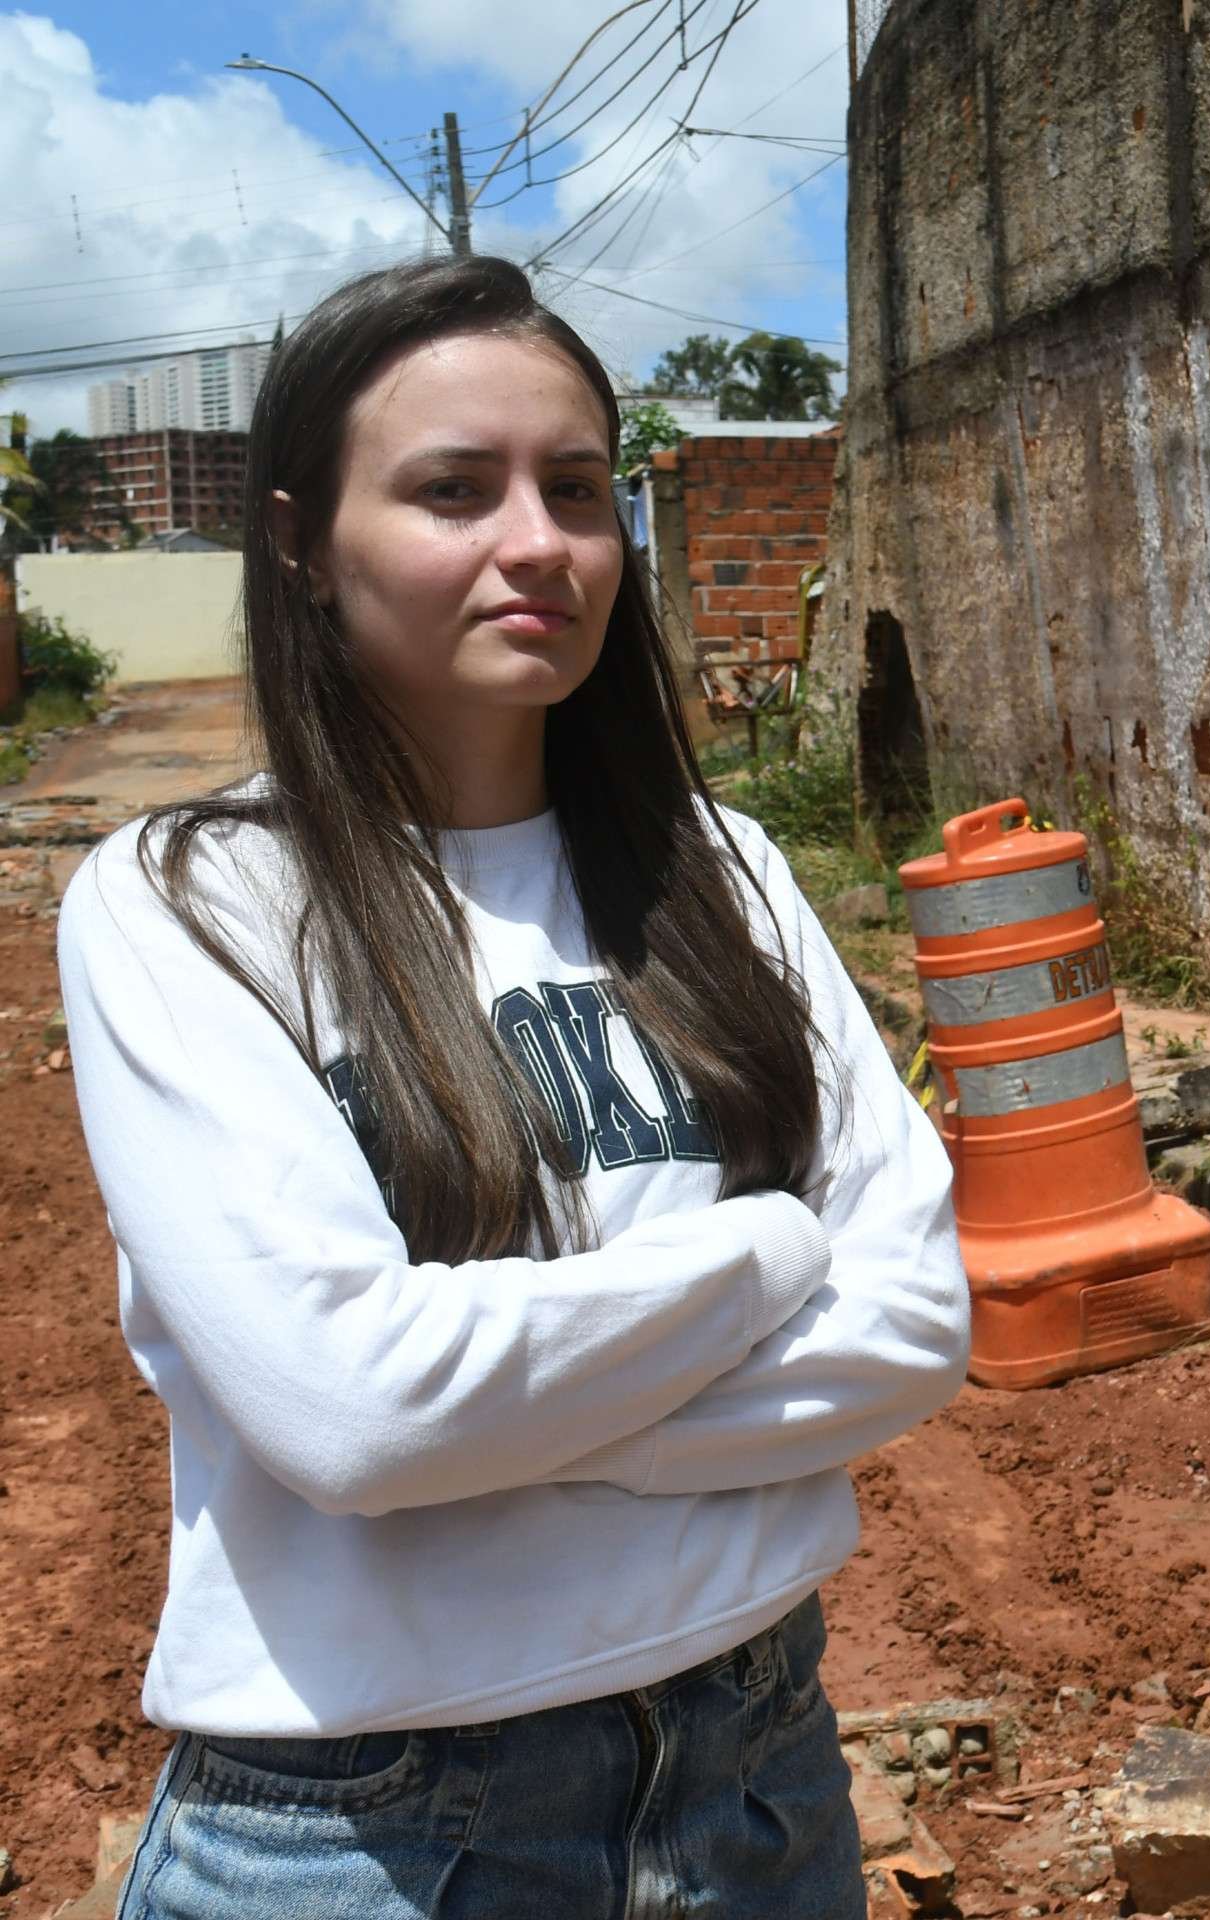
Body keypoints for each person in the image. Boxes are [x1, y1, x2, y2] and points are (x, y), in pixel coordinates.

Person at [55, 255, 965, 1918]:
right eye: (452, 491)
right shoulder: (187, 904)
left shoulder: (725, 873)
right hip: (369, 1839)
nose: (538, 543)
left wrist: (518, 1422)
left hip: (759, 1785)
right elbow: (358, 1411)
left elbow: (912, 1328)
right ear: (301, 545)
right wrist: (763, 1260)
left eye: (575, 487)